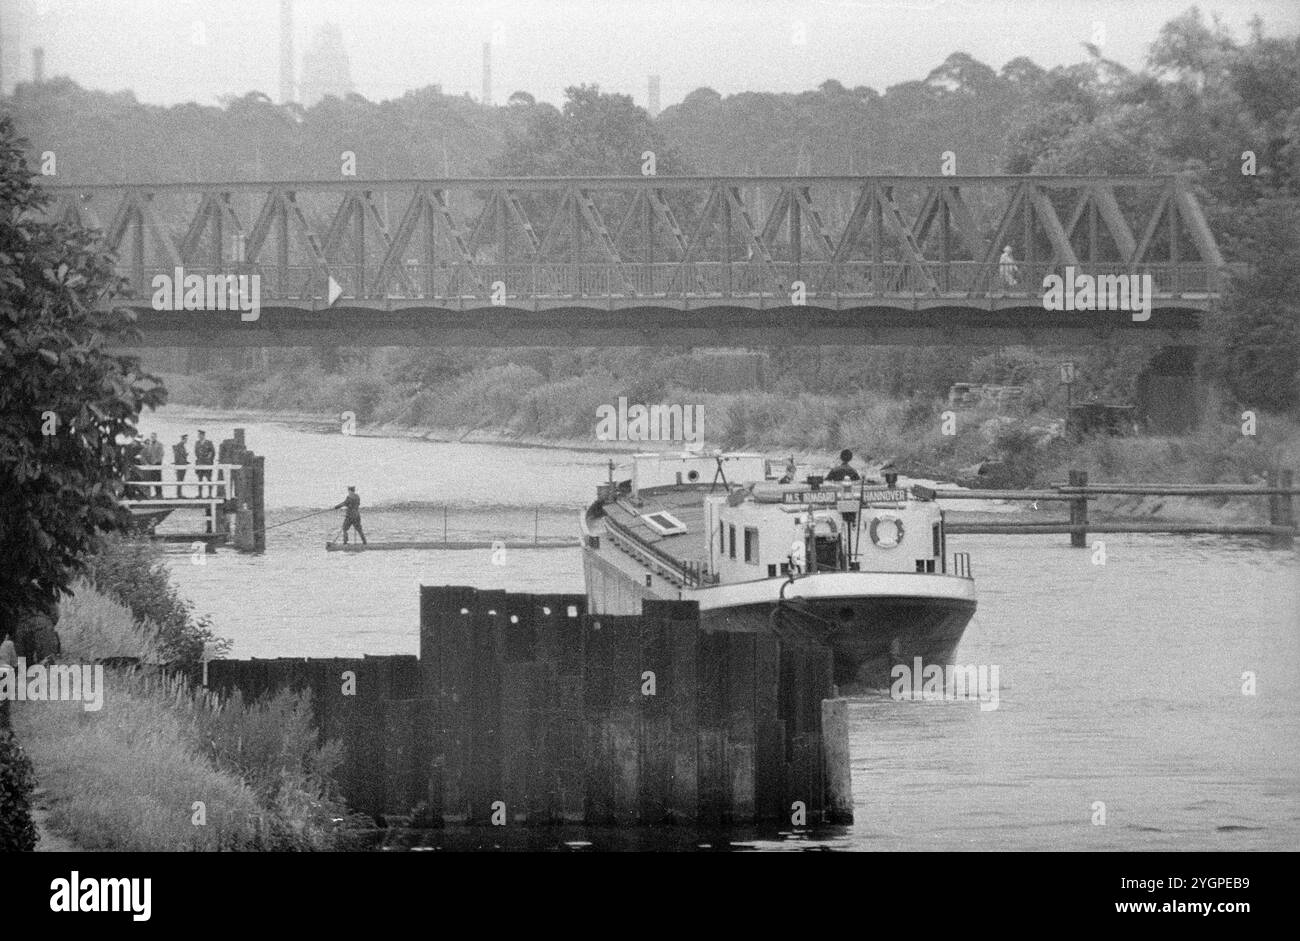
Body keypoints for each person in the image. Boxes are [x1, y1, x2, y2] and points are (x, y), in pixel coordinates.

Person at [142, 432, 165, 497]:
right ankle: (156, 493)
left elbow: (161, 454)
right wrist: (148, 463)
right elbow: (148, 455)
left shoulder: (160, 444)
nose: (152, 438)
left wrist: (155, 461)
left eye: (153, 437)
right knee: (154, 479)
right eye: (151, 437)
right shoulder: (150, 445)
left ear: (156, 437)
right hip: (152, 464)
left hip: (157, 464)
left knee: (158, 479)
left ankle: (159, 494)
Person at [194, 430, 216, 498]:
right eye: (199, 435)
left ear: (203, 435)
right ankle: (200, 494)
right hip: (200, 463)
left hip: (207, 463)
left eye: (200, 435)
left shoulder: (209, 443)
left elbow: (213, 452)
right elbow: (196, 453)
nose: (199, 436)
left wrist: (209, 459)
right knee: (200, 479)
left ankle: (210, 494)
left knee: (209, 479)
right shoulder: (197, 443)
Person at [172, 434, 190, 498]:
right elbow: (177, 457)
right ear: (183, 439)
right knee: (179, 480)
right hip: (180, 466)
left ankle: (179, 493)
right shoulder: (179, 446)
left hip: (183, 465)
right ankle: (179, 494)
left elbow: (182, 456)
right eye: (186, 439)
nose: (186, 441)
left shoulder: (182, 446)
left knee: (181, 480)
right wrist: (177, 465)